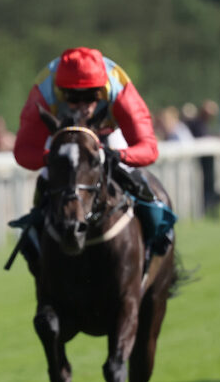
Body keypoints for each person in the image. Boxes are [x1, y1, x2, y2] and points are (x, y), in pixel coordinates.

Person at [12, 47, 175, 270]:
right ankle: (34, 242)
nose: (82, 107)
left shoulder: (119, 88)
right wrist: (57, 158)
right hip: (65, 140)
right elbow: (23, 151)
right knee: (47, 179)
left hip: (108, 134)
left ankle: (158, 234)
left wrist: (119, 155)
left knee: (133, 176)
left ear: (101, 91)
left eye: (90, 98)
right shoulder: (43, 90)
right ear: (60, 92)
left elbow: (148, 148)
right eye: (73, 98)